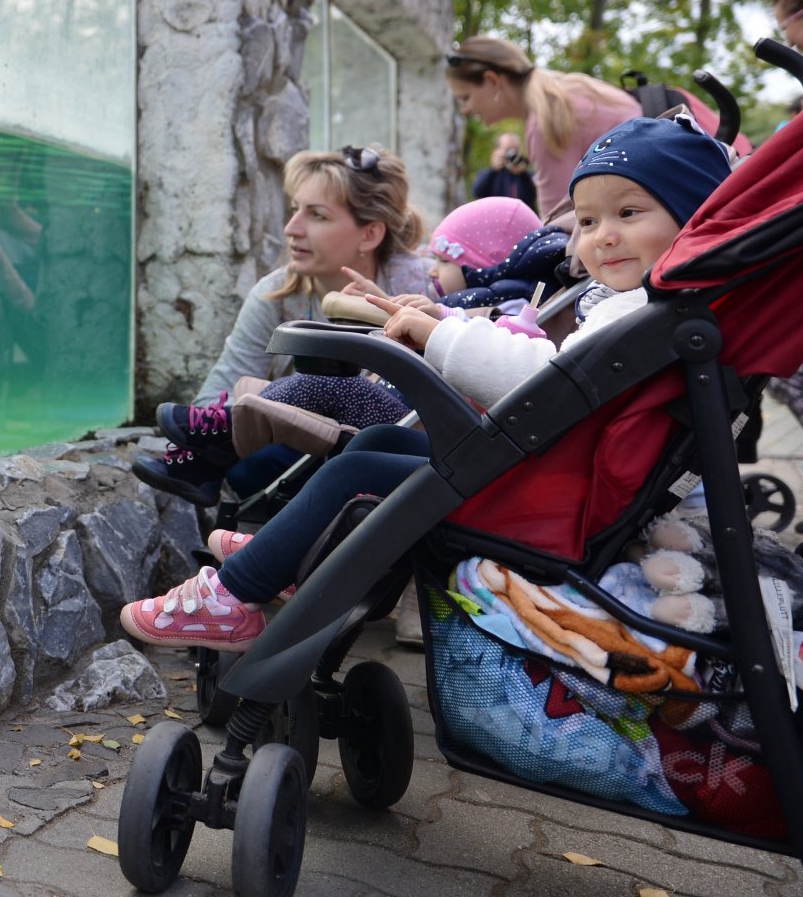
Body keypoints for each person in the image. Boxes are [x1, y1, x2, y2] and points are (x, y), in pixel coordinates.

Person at [118, 115, 734, 652]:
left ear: (694, 218)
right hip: (559, 478)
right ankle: (276, 556)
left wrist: (439, 337)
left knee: (357, 467)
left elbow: (548, 382)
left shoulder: (642, 312)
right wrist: (442, 324)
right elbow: (559, 368)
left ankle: (230, 600)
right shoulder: (649, 309)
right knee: (373, 444)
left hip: (551, 498)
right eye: (590, 220)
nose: (601, 236)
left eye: (628, 214)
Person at [152, 195, 545, 473]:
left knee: (327, 388)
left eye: (443, 259)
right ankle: (211, 447)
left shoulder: (509, 313)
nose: (430, 269)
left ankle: (220, 430)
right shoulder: (471, 303)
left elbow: (471, 350)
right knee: (291, 400)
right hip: (425, 417)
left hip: (438, 427)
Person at [135, 145, 434, 505]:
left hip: (401, 452)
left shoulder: (418, 286)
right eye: (295, 209)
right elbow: (213, 400)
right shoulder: (276, 294)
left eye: (317, 215)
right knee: (252, 459)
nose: (292, 228)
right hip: (303, 453)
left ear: (369, 235)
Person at [445, 36, 640, 216]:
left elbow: (557, 222)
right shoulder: (564, 92)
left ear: (492, 80)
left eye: (466, 98)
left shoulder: (546, 120)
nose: (466, 109)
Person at [471, 132, 536, 209]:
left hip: (522, 218)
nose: (513, 153)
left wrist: (523, 173)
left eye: (516, 149)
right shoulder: (489, 174)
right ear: (497, 151)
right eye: (508, 149)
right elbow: (478, 192)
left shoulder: (527, 175)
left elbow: (535, 195)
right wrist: (493, 170)